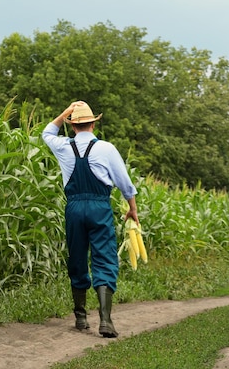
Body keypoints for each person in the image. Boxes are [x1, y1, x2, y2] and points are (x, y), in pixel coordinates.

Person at [42, 101, 139, 338]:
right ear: (94, 123)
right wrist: (132, 208)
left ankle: (80, 317)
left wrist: (65, 113)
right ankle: (105, 321)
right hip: (99, 207)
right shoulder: (106, 148)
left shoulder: (64, 146)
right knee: (104, 258)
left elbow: (47, 132)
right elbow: (124, 182)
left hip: (74, 208)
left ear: (73, 126)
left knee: (77, 258)